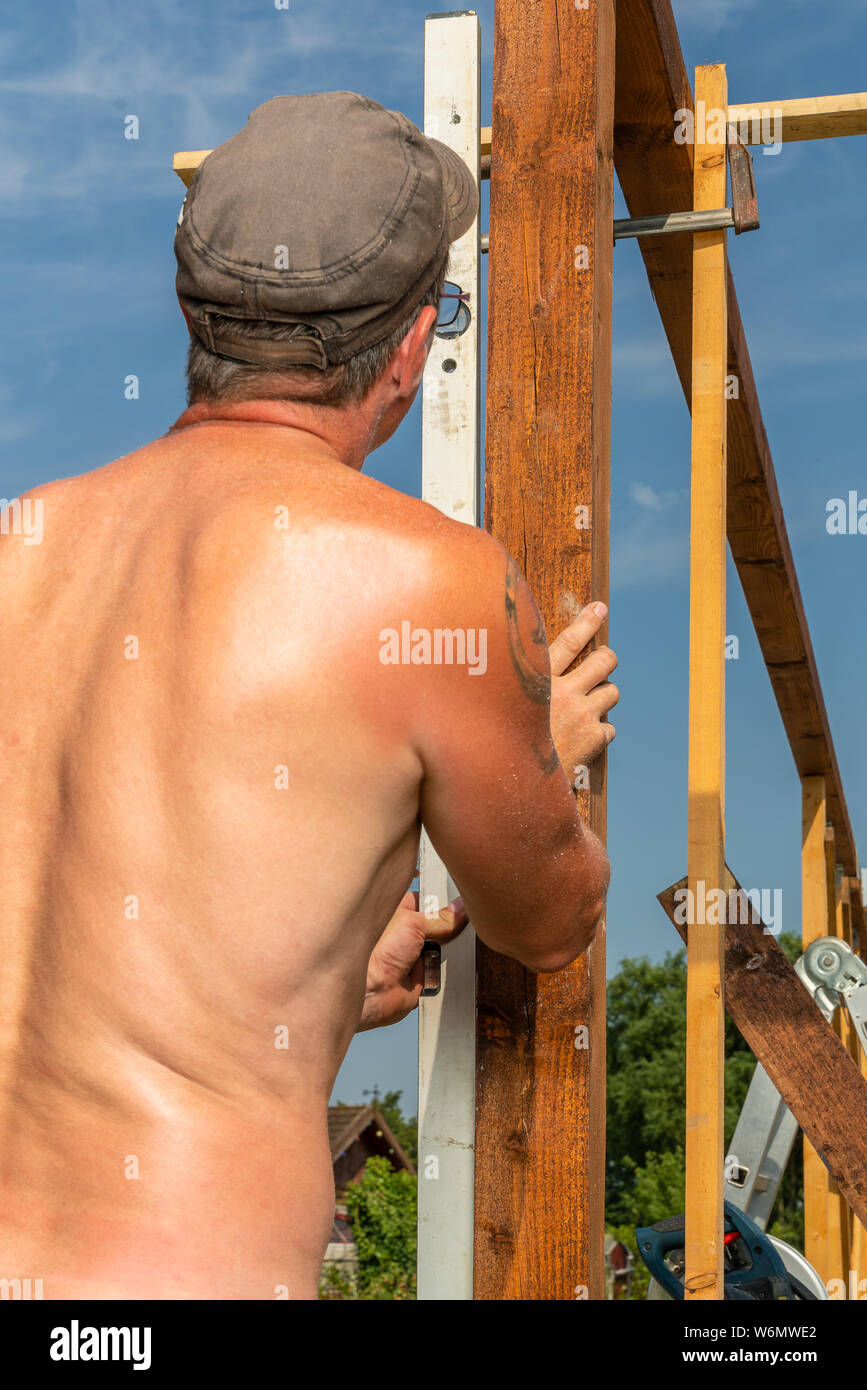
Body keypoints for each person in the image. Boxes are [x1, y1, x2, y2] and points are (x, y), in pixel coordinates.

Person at [0, 92, 618, 1300]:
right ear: (403, 351)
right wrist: (533, 753)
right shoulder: (426, 580)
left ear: (193, 315)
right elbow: (550, 922)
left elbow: (85, 966)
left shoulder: (19, 548)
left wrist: (326, 977)